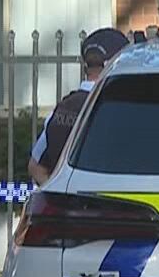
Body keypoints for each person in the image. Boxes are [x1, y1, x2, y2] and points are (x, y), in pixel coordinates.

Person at [28, 27, 130, 185]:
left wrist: (60, 194)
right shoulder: (118, 109)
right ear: (115, 64)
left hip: (68, 205)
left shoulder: (62, 108)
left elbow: (36, 167)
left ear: (86, 66)